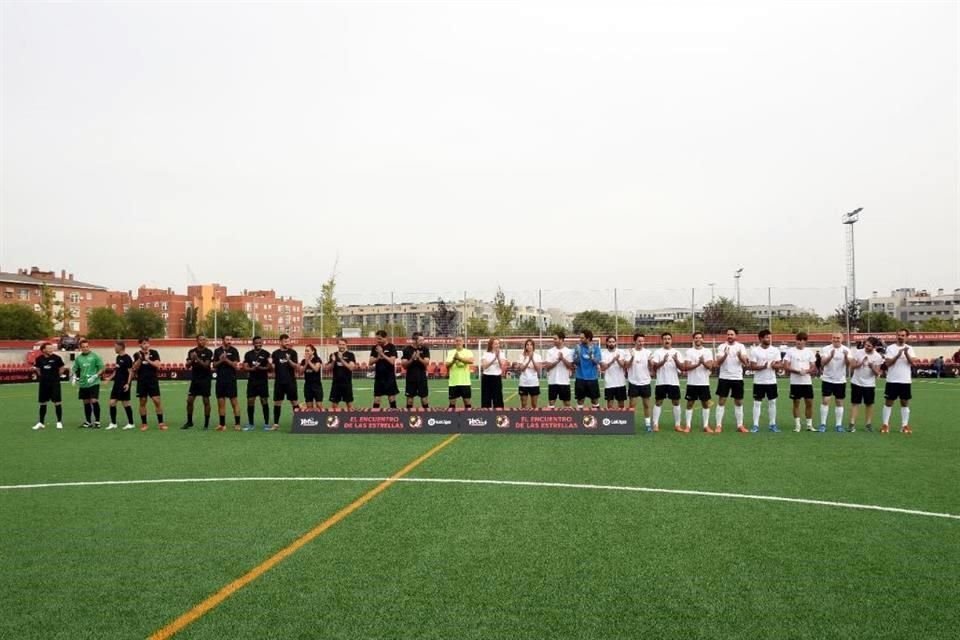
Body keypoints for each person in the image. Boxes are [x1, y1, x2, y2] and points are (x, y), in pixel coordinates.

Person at [713, 327, 750, 433]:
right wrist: (725, 354)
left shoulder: (741, 346)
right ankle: (718, 425)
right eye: (728, 334)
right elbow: (718, 363)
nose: (729, 336)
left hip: (737, 378)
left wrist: (739, 356)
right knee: (721, 401)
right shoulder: (721, 346)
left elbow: (745, 362)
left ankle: (740, 425)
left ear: (736, 336)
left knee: (738, 402)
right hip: (724, 378)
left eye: (732, 334)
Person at [746, 329, 783, 432]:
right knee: (757, 403)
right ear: (761, 338)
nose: (769, 339)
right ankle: (755, 425)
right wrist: (763, 367)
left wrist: (775, 365)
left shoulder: (775, 350)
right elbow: (752, 366)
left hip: (771, 381)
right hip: (759, 381)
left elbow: (780, 364)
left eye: (770, 337)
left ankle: (772, 424)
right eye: (766, 337)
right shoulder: (755, 350)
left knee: (772, 402)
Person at [678, 331, 714, 433]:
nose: (698, 339)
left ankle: (706, 426)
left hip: (704, 383)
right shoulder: (689, 352)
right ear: (693, 339)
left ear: (703, 339)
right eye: (696, 338)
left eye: (700, 337)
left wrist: (703, 362)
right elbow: (686, 367)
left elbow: (710, 366)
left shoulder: (708, 351)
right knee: (690, 404)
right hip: (692, 383)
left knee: (705, 404)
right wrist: (699, 363)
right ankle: (688, 426)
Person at [882, 328, 916, 434]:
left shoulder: (910, 348)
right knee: (889, 402)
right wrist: (897, 355)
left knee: (904, 402)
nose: (900, 337)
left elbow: (913, 363)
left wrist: (906, 354)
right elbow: (887, 364)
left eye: (903, 335)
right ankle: (885, 425)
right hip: (892, 380)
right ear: (896, 336)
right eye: (899, 335)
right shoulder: (891, 348)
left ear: (906, 337)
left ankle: (904, 425)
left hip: (905, 380)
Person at [130, 338, 166, 431]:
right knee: (142, 401)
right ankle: (144, 423)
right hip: (142, 381)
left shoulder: (154, 353)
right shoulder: (136, 354)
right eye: (144, 343)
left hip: (152, 380)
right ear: (140, 345)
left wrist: (148, 359)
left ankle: (161, 423)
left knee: (156, 401)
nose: (146, 345)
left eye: (147, 343)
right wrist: (140, 359)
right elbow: (134, 368)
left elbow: (158, 365)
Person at [650, 332, 683, 432]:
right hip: (661, 382)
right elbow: (654, 367)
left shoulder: (677, 352)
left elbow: (682, 368)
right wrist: (663, 361)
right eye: (665, 339)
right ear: (662, 340)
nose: (667, 340)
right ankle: (655, 424)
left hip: (674, 382)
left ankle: (677, 425)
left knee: (676, 402)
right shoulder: (657, 352)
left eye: (668, 339)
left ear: (671, 340)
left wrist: (676, 360)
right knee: (658, 402)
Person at [849, 336, 883, 432]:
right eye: (866, 345)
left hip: (869, 384)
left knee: (869, 404)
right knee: (855, 403)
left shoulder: (878, 357)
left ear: (874, 347)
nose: (866, 347)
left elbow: (878, 373)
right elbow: (851, 366)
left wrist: (872, 367)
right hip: (856, 382)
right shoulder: (858, 352)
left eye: (869, 346)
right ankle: (852, 424)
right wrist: (859, 364)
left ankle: (868, 424)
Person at [784, 331, 816, 432]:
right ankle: (797, 425)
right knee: (796, 403)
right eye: (798, 340)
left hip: (807, 382)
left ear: (805, 341)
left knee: (809, 403)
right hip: (795, 382)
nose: (799, 342)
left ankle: (809, 425)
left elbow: (813, 367)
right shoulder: (790, 351)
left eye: (801, 340)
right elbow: (786, 366)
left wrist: (807, 371)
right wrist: (797, 371)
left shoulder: (810, 352)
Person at [819, 332, 851, 432]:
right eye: (834, 338)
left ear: (842, 339)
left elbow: (849, 364)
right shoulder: (826, 349)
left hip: (840, 380)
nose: (836, 340)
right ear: (831, 339)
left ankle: (838, 425)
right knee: (825, 401)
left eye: (838, 338)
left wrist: (846, 356)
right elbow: (822, 363)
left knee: (839, 402)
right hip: (827, 379)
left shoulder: (847, 350)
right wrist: (830, 356)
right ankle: (823, 424)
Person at [32, 342, 67, 430]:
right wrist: (42, 376)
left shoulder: (57, 358)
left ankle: (59, 422)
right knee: (43, 402)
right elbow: (37, 368)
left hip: (54, 383)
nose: (51, 349)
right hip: (44, 383)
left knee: (57, 402)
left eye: (52, 348)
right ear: (43, 350)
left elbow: (62, 367)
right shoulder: (39, 359)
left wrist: (56, 376)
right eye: (49, 348)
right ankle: (41, 422)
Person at [72, 338, 105, 428]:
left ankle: (97, 421)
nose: (85, 348)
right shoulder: (78, 358)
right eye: (83, 347)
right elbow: (75, 369)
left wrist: (95, 376)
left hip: (93, 382)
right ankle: (88, 421)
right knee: (86, 402)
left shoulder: (95, 356)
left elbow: (102, 368)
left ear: (89, 347)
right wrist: (74, 377)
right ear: (80, 348)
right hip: (83, 383)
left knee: (94, 400)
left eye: (87, 346)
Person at [183, 334, 213, 429]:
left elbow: (206, 365)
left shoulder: (208, 352)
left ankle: (206, 423)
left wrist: (197, 359)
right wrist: (192, 359)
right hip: (195, 379)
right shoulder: (191, 351)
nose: (202, 341)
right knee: (189, 401)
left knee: (206, 401)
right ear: (197, 341)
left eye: (204, 340)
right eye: (201, 340)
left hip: (205, 379)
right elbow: (187, 366)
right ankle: (189, 421)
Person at [624, 332, 653, 431]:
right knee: (632, 405)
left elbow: (651, 367)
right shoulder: (629, 352)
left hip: (645, 382)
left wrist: (650, 361)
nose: (641, 343)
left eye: (643, 341)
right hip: (633, 382)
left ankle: (648, 425)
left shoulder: (648, 352)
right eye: (639, 341)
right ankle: (629, 424)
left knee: (646, 405)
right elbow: (626, 366)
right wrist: (632, 357)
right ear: (634, 341)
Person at [213, 335, 242, 431]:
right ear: (223, 340)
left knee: (234, 402)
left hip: (231, 380)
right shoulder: (217, 351)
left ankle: (237, 424)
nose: (229, 341)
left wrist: (226, 360)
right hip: (220, 380)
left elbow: (236, 366)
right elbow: (214, 365)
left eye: (230, 339)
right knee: (221, 402)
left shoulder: (234, 351)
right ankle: (222, 424)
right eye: (227, 339)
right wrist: (221, 360)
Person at [243, 336, 273, 430]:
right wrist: (252, 369)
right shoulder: (248, 354)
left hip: (262, 381)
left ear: (262, 343)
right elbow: (245, 367)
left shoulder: (267, 354)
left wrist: (260, 368)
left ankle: (267, 424)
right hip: (252, 381)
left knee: (264, 401)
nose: (258, 344)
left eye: (260, 342)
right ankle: (251, 424)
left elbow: (270, 368)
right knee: (250, 401)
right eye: (256, 342)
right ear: (253, 343)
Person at [105, 340, 136, 430]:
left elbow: (131, 372)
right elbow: (117, 370)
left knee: (125, 403)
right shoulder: (118, 357)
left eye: (115, 346)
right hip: (117, 384)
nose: (114, 348)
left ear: (120, 347)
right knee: (112, 403)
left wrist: (128, 384)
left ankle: (131, 423)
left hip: (123, 384)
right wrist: (109, 378)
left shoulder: (127, 358)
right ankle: (113, 423)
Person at [271, 333, 300, 429]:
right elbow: (273, 368)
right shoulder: (275, 353)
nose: (287, 343)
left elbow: (296, 366)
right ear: (280, 342)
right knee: (277, 402)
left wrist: (289, 360)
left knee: (294, 402)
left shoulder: (293, 353)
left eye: (288, 341)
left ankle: (298, 422)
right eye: (285, 341)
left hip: (290, 381)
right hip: (279, 382)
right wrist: (270, 365)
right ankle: (276, 424)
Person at [543, 331, 574, 409]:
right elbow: (547, 367)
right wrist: (557, 360)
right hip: (552, 381)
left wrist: (563, 358)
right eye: (553, 339)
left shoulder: (569, 351)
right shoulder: (550, 351)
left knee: (567, 404)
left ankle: (567, 420)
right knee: (551, 404)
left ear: (561, 340)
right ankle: (552, 420)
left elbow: (571, 367)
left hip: (564, 382)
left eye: (555, 339)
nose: (553, 340)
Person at [369, 330, 399, 409]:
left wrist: (382, 353)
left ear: (385, 338)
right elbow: (370, 362)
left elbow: (392, 362)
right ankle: (375, 418)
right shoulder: (374, 348)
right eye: (377, 339)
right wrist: (378, 357)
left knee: (391, 398)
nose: (378, 341)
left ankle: (394, 417)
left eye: (379, 339)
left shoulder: (392, 347)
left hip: (389, 377)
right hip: (379, 377)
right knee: (377, 399)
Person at [572, 330, 602, 409]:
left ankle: (597, 418)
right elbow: (575, 362)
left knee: (595, 400)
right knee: (580, 400)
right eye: (580, 338)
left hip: (592, 378)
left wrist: (591, 356)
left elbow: (597, 362)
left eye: (582, 338)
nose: (580, 339)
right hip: (580, 378)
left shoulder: (596, 348)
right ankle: (579, 419)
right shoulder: (578, 347)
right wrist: (577, 355)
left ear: (588, 338)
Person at [401, 332, 431, 410]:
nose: (423, 342)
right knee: (410, 400)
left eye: (423, 340)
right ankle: (408, 417)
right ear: (414, 340)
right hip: (410, 378)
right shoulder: (406, 349)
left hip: (422, 377)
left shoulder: (425, 349)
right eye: (421, 340)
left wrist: (419, 358)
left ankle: (427, 417)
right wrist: (411, 359)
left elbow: (426, 363)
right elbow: (404, 365)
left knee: (424, 399)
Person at [446, 336, 474, 409]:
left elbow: (471, 361)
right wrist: (454, 360)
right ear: (455, 342)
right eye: (457, 341)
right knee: (452, 404)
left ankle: (468, 418)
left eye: (460, 341)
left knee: (467, 403)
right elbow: (447, 365)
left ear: (463, 342)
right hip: (453, 382)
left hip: (465, 382)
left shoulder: (468, 352)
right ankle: (452, 419)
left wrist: (459, 358)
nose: (458, 342)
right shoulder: (450, 352)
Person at [328, 339, 357, 409]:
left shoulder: (350, 355)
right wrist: (333, 361)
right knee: (334, 405)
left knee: (349, 405)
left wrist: (341, 359)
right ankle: (336, 419)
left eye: (343, 344)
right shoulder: (333, 355)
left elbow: (351, 368)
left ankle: (349, 419)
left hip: (347, 383)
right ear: (337, 345)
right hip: (336, 383)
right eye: (340, 344)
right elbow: (328, 368)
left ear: (346, 345)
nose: (341, 346)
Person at [599, 335, 628, 409]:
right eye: (610, 342)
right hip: (609, 383)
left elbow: (623, 366)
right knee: (609, 405)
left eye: (613, 342)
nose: (611, 343)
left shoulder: (621, 352)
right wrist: (613, 360)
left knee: (621, 405)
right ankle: (610, 419)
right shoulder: (603, 354)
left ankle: (621, 420)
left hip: (620, 383)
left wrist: (617, 360)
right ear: (607, 343)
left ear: (616, 343)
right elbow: (603, 368)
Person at [480, 337, 509, 408]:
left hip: (496, 378)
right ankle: (486, 416)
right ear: (491, 345)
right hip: (486, 378)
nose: (497, 345)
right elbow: (484, 366)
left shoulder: (502, 354)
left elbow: (502, 366)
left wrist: (498, 357)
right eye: (495, 344)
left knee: (498, 399)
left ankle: (499, 416)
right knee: (486, 399)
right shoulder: (486, 354)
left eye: (498, 344)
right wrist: (494, 359)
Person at [515, 338, 542, 408]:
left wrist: (532, 359)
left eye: (531, 345)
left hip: (534, 383)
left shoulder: (538, 356)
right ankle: (524, 418)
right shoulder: (521, 356)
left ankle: (533, 418)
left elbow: (538, 369)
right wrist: (528, 360)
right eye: (527, 344)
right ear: (525, 346)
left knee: (534, 404)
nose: (529, 346)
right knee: (523, 404)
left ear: (533, 346)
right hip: (523, 383)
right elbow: (522, 369)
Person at [301, 344, 323, 410]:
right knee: (309, 407)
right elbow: (301, 371)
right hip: (307, 386)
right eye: (305, 351)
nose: (306, 352)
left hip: (317, 385)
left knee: (319, 406)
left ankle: (321, 419)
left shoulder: (317, 359)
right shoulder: (303, 361)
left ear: (313, 351)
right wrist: (306, 362)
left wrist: (308, 361)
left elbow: (316, 369)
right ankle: (312, 419)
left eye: (308, 351)